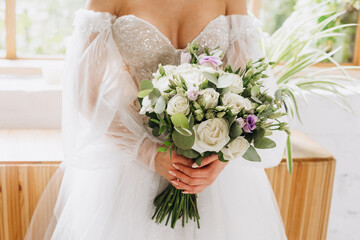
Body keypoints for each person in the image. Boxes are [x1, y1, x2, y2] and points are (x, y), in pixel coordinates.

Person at [25, 0, 288, 239]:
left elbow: (253, 87)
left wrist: (220, 158)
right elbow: (83, 90)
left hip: (209, 172)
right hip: (132, 164)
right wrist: (147, 153)